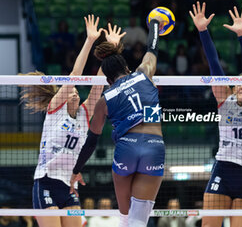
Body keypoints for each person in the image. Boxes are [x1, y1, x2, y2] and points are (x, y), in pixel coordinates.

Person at [70, 15, 166, 227]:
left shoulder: (103, 101)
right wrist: (155, 25)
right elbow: (152, 49)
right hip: (154, 146)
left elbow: (91, 141)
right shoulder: (144, 74)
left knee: (125, 217)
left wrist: (76, 170)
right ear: (127, 68)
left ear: (107, 79)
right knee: (139, 220)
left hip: (127, 148)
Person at [20, 15, 108, 227]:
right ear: (63, 94)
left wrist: (110, 52)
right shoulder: (55, 109)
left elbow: (98, 86)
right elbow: (75, 74)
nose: (76, 93)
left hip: (68, 185)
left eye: (78, 91)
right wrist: (89, 41)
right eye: (72, 90)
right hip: (46, 182)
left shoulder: (84, 115)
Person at [190, 2, 242, 227]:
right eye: (239, 84)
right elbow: (215, 66)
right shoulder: (225, 102)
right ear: (233, 88)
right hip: (223, 170)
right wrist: (203, 31)